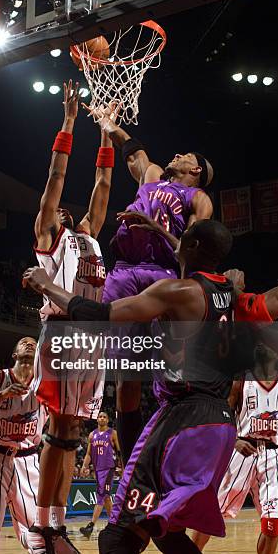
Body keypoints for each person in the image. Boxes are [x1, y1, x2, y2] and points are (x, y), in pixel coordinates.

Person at [24, 219, 238, 554]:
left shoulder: (177, 293)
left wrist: (45, 285)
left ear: (193, 247)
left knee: (118, 536)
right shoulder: (231, 292)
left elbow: (99, 311)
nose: (175, 241)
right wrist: (156, 226)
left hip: (185, 417)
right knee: (165, 533)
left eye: (181, 238)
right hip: (221, 423)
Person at [82, 103, 214, 464]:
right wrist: (109, 125)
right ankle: (133, 467)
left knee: (168, 380)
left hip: (164, 275)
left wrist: (154, 226)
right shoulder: (153, 175)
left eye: (185, 155)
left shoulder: (197, 199)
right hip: (125, 271)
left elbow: (192, 253)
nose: (176, 154)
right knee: (126, 380)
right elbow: (133, 150)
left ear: (196, 170)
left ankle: (171, 456)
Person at [25, 80, 114, 554]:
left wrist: (105, 133)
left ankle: (56, 524)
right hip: (61, 335)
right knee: (58, 431)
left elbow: (102, 184)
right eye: (55, 206)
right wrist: (69, 121)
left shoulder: (92, 236)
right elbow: (55, 179)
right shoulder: (48, 236)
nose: (60, 206)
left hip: (92, 340)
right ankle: (42, 528)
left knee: (73, 434)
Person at [192, 342, 278, 554]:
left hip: (273, 454)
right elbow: (223, 416)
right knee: (213, 513)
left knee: (273, 521)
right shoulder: (241, 379)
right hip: (242, 451)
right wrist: (234, 440)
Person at [0, 337, 48, 554]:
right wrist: (3, 394)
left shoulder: (45, 384)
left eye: (34, 342)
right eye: (24, 342)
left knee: (38, 530)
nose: (29, 343)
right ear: (14, 354)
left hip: (29, 460)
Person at [79, 411, 122, 539]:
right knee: (106, 498)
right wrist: (84, 466)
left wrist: (123, 467)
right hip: (98, 470)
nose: (102, 418)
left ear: (107, 420)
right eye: (100, 416)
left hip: (109, 468)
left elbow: (119, 451)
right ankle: (115, 524)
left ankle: (90, 526)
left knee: (101, 495)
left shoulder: (112, 433)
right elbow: (88, 454)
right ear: (97, 419)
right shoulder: (92, 435)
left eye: (104, 417)